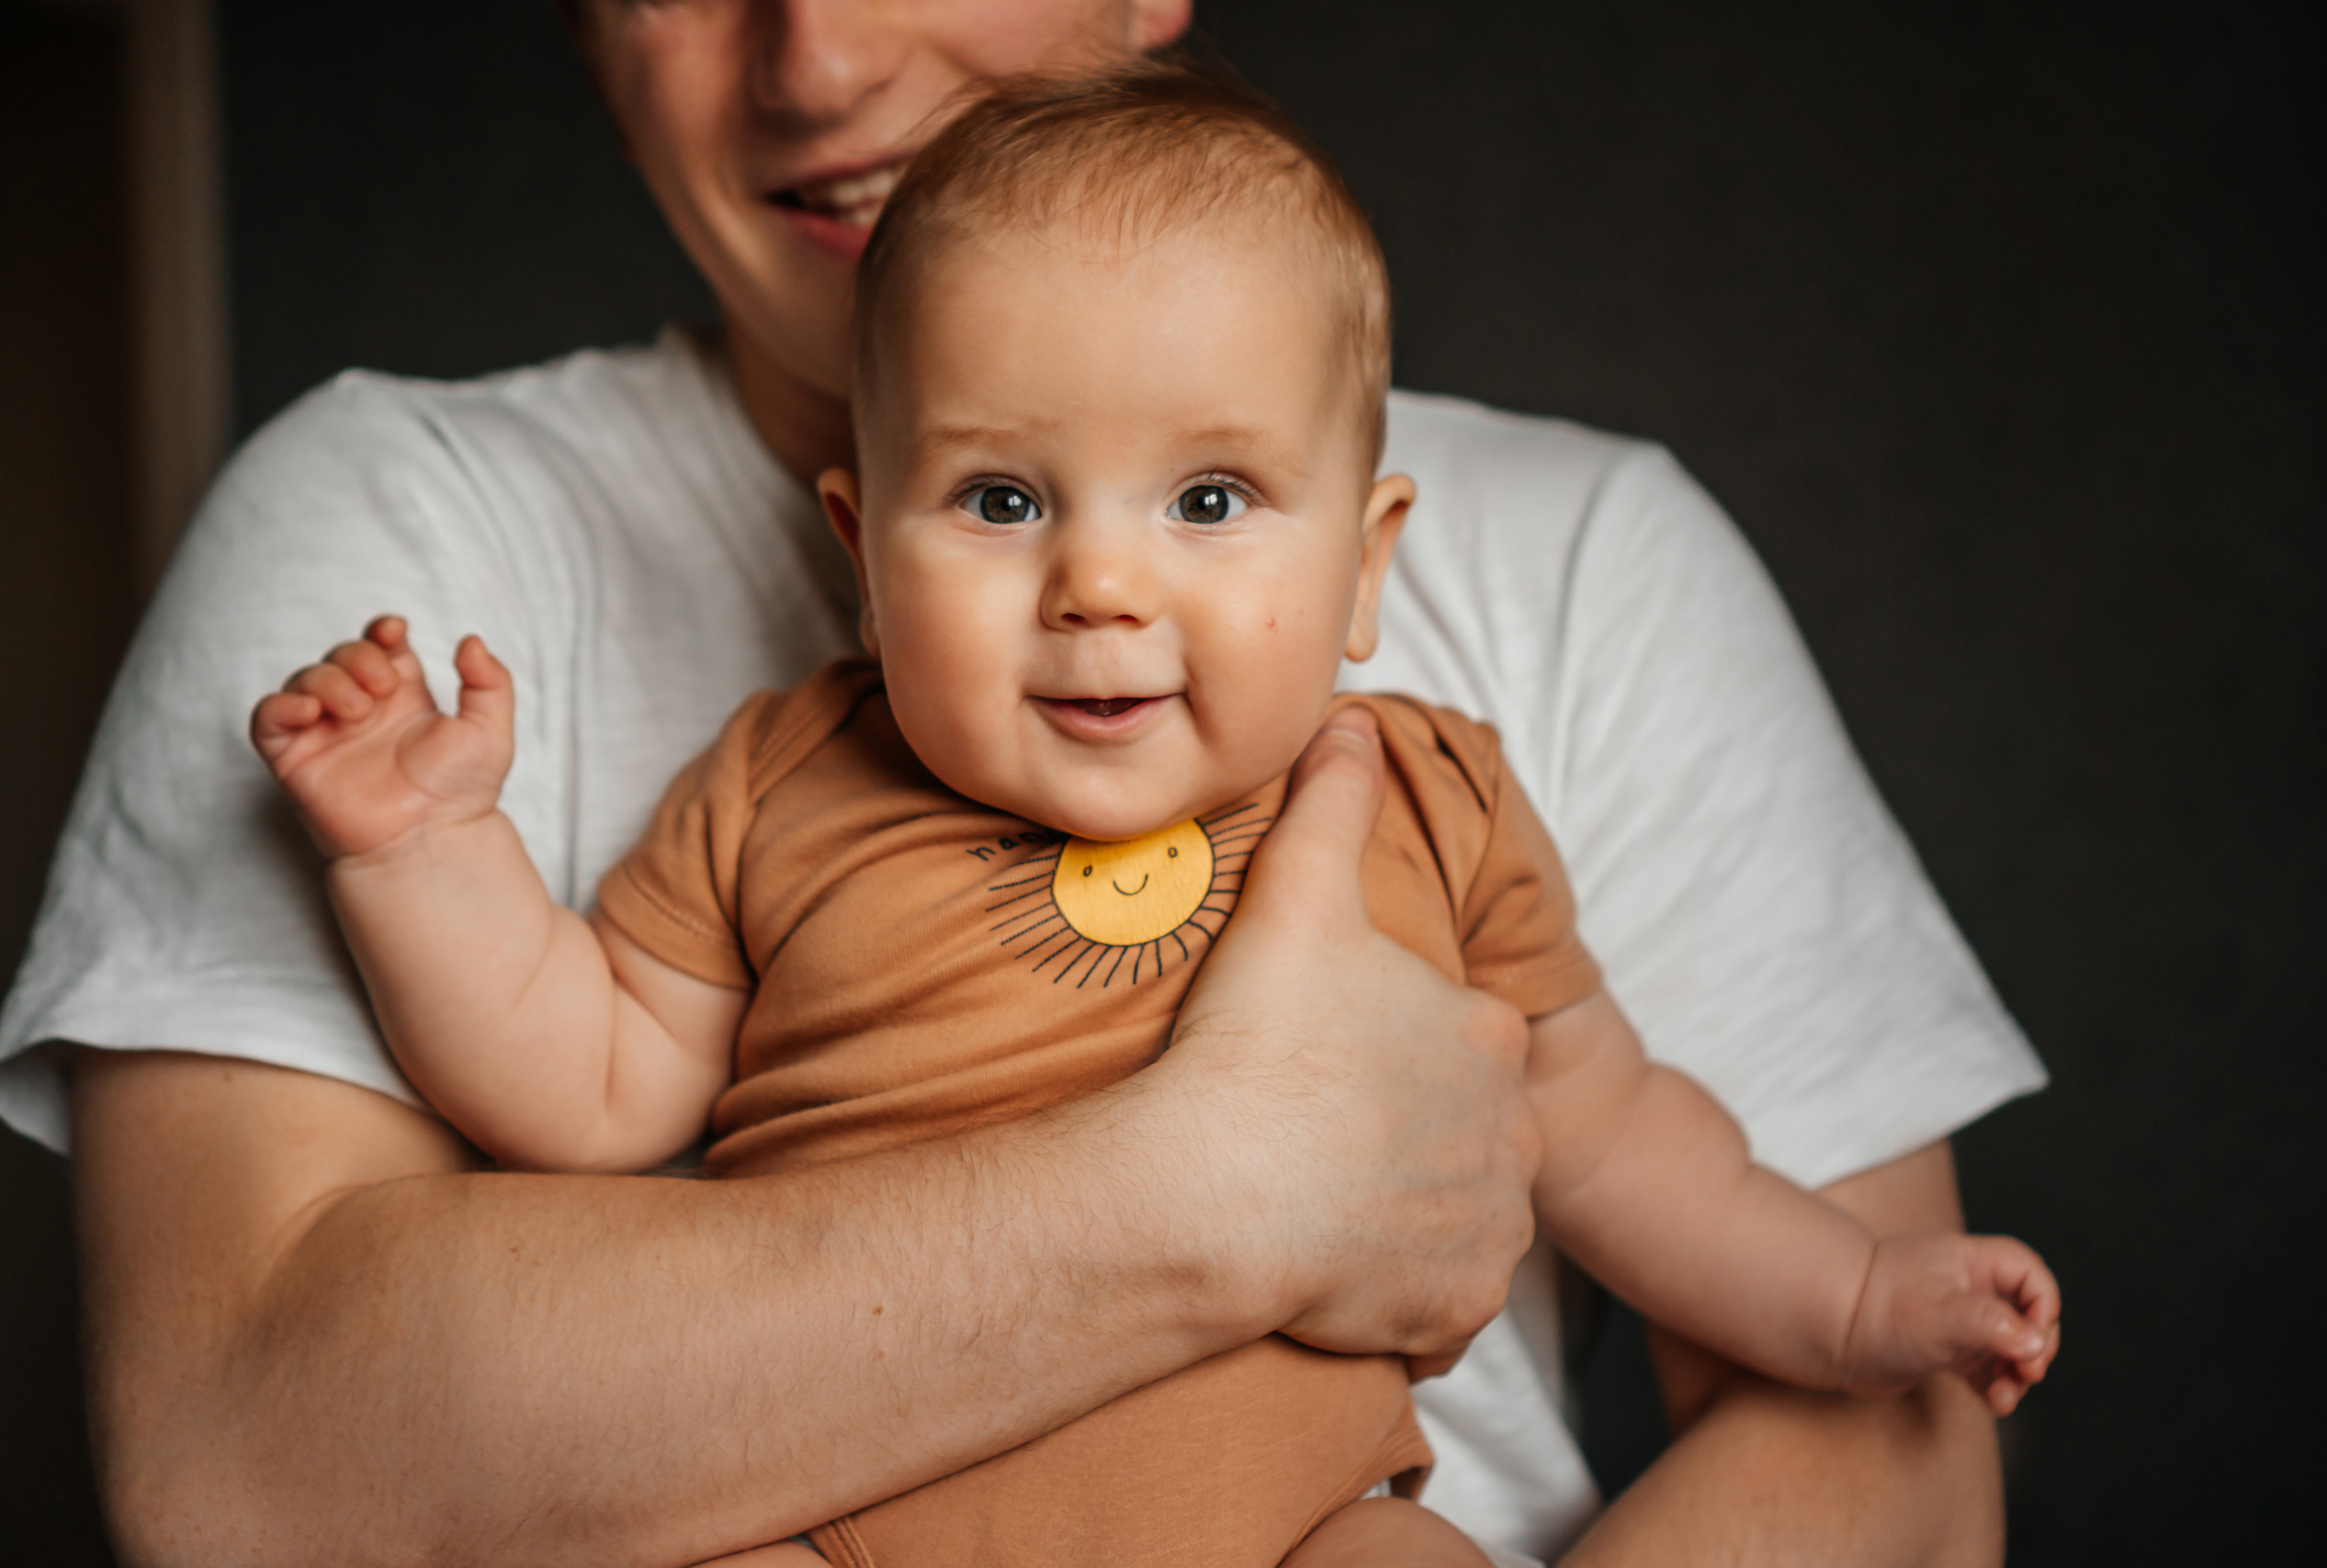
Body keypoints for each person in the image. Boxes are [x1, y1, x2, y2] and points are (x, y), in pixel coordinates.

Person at [0, 3, 2046, 1564]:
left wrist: (1857, 1297)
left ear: (1367, 564)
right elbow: (326, 1364)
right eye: (991, 498)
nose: (808, 58)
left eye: (1216, 497)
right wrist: (427, 851)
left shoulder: (1474, 731)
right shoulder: (739, 746)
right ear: (854, 550)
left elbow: (1660, 1175)